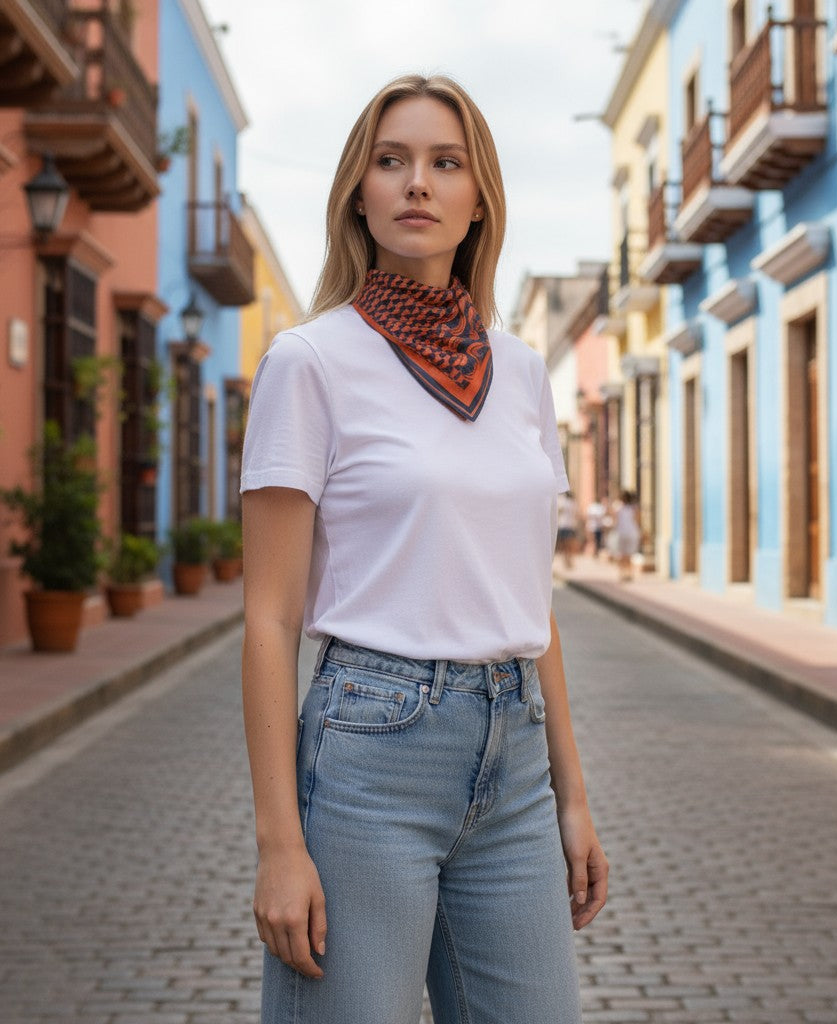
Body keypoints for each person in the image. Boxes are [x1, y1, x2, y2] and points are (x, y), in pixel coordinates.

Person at [240, 73, 608, 1024]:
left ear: (478, 198)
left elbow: (534, 599)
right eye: (391, 161)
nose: (416, 183)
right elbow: (270, 619)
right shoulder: (309, 362)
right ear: (357, 194)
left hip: (515, 758)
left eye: (445, 163)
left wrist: (573, 796)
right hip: (370, 753)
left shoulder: (523, 371)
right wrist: (281, 843)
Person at [611, 490, 641, 582]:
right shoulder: (633, 508)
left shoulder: (618, 507)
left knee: (623, 554)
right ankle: (628, 573)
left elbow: (613, 518)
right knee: (628, 555)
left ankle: (623, 573)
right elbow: (638, 520)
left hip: (623, 533)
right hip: (631, 533)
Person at [556, 490, 579, 568]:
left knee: (564, 545)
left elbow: (558, 511)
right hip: (571, 525)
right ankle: (569, 561)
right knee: (569, 544)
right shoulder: (573, 503)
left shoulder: (563, 502)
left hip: (563, 525)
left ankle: (566, 561)